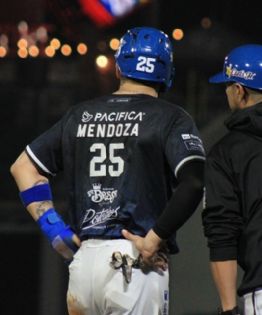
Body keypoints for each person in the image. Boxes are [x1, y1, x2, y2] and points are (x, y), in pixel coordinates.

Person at [11, 26, 205, 315]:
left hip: (85, 262)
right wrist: (153, 240)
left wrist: (57, 233)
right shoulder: (170, 117)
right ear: (167, 72)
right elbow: (193, 183)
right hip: (135, 260)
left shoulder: (80, 115)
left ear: (118, 67)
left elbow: (23, 168)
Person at [202, 44, 262, 315]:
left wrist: (229, 310)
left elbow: (222, 232)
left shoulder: (226, 153)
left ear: (240, 90)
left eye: (227, 85)